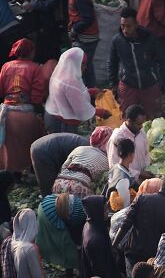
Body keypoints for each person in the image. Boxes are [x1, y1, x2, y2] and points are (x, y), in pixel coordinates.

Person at [113, 175, 165, 275]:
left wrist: (114, 245)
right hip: (151, 258)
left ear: (161, 186)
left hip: (133, 252)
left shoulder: (141, 199)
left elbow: (126, 224)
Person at [0, 38, 48, 173]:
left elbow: (1, 90)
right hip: (26, 115)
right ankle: (30, 172)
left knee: (11, 149)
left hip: (7, 115)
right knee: (29, 146)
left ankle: (11, 174)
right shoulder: (35, 68)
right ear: (31, 52)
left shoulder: (6, 66)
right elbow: (37, 96)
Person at [108, 7, 163, 119]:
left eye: (129, 26)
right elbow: (112, 62)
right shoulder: (117, 41)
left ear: (136, 24)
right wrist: (113, 83)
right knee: (128, 118)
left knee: (153, 118)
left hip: (149, 83)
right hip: (128, 84)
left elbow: (161, 59)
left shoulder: (149, 38)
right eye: (122, 26)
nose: (125, 30)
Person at [44, 47, 109, 134]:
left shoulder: (63, 74)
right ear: (76, 64)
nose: (85, 68)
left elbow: (71, 95)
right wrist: (101, 112)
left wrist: (91, 92)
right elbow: (81, 110)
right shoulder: (70, 82)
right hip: (61, 123)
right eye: (84, 65)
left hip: (54, 116)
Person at [62, 0, 99, 88]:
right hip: (83, 35)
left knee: (82, 67)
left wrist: (74, 30)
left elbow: (88, 17)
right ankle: (91, 93)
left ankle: (88, 94)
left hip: (86, 36)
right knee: (86, 67)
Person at [35, 192, 86, 278]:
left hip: (46, 204)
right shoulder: (74, 216)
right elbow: (69, 247)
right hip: (49, 213)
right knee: (65, 246)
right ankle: (69, 275)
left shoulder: (79, 206)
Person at [52, 126, 112, 197]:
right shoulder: (107, 160)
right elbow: (101, 182)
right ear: (109, 142)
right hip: (79, 186)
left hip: (59, 183)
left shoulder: (79, 149)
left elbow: (64, 167)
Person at [106, 104, 151, 181]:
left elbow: (146, 154)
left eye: (142, 123)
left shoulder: (141, 133)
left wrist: (149, 169)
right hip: (126, 182)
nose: (141, 127)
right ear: (129, 121)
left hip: (143, 182)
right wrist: (138, 174)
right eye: (139, 124)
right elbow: (114, 166)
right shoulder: (117, 138)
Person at [105, 138, 137, 212]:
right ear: (131, 155)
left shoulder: (115, 167)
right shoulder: (124, 179)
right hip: (116, 214)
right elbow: (125, 206)